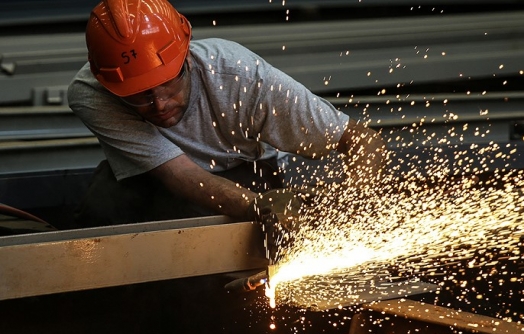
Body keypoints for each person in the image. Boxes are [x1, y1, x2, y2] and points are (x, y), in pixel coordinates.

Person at [68, 0, 388, 229]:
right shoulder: (92, 92)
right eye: (139, 95)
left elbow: (361, 140)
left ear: (187, 56)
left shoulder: (240, 75)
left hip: (243, 172)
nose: (160, 104)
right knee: (104, 207)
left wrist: (354, 207)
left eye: (167, 85)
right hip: (154, 181)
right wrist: (254, 206)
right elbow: (179, 176)